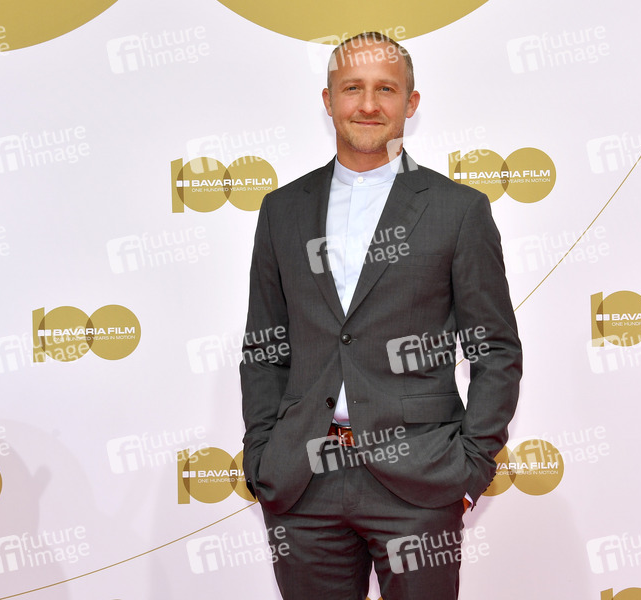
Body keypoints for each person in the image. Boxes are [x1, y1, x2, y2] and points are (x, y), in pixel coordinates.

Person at [240, 31, 522, 600]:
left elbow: (494, 350)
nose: (368, 104)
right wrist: (263, 455)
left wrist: (470, 468)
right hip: (302, 482)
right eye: (352, 88)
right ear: (328, 100)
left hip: (419, 481)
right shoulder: (281, 210)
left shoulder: (458, 210)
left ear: (410, 103)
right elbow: (265, 345)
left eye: (385, 89)